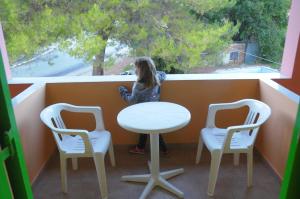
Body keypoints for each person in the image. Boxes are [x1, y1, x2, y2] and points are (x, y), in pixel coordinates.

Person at [118, 57, 168, 155]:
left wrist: (122, 91)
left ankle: (140, 148)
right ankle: (164, 149)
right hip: (155, 110)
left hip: (142, 113)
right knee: (156, 131)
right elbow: (163, 73)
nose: (134, 70)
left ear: (140, 71)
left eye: (136, 68)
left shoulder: (138, 86)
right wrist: (152, 72)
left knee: (144, 130)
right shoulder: (157, 78)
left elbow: (131, 101)